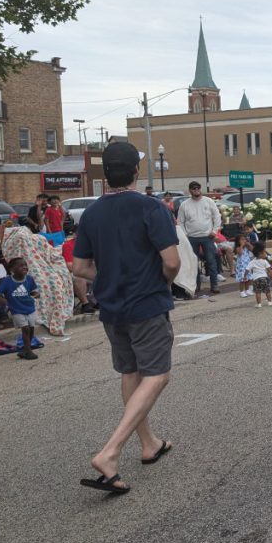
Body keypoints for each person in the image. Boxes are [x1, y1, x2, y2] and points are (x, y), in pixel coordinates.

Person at [72, 141, 180, 495]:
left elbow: (80, 268)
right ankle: (110, 451)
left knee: (130, 371)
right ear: (136, 171)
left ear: (105, 174)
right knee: (157, 375)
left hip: (112, 308)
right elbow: (173, 262)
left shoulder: (91, 214)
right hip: (146, 304)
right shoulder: (151, 207)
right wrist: (159, 283)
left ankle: (148, 443)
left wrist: (108, 279)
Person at [1, 220, 73, 336]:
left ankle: (29, 343)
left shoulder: (36, 240)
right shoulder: (11, 281)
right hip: (21, 310)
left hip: (26, 306)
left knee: (52, 282)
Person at [178, 181, 222, 296]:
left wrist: (214, 231)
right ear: (190, 190)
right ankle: (196, 286)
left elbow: (217, 216)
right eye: (193, 188)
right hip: (192, 238)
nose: (196, 190)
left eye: (197, 188)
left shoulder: (209, 201)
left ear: (200, 189)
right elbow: (180, 222)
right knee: (193, 263)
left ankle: (214, 285)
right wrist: (185, 235)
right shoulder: (184, 205)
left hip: (208, 237)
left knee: (211, 262)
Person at [0, 257, 40, 360]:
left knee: (31, 329)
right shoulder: (7, 281)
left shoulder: (29, 279)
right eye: (21, 265)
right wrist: (4, 302)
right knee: (25, 329)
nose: (24, 267)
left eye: (25, 265)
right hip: (17, 310)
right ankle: (29, 352)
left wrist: (36, 294)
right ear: (12, 269)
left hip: (30, 308)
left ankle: (25, 349)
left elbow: (33, 291)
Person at [62, 225, 91, 313]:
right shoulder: (68, 245)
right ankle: (85, 304)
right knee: (79, 278)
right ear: (75, 234)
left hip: (87, 271)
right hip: (75, 272)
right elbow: (69, 266)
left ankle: (99, 301)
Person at [246, 242, 272, 308]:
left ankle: (259, 304)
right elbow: (269, 270)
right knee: (267, 291)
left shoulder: (252, 262)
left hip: (256, 279)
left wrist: (245, 276)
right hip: (264, 278)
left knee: (258, 292)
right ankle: (269, 302)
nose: (265, 254)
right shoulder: (264, 261)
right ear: (260, 254)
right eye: (264, 253)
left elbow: (247, 269)